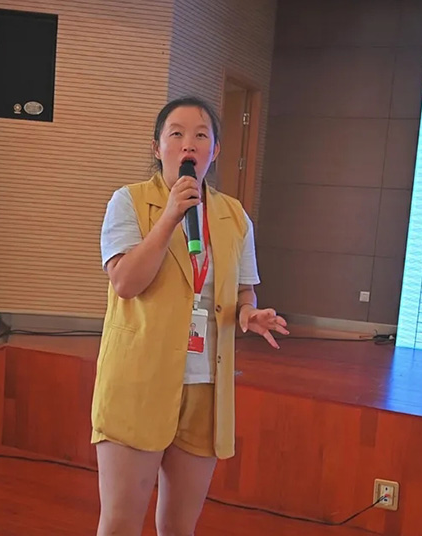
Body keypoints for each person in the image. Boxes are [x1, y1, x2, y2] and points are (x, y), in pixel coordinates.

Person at [92, 96, 288, 535]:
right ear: (157, 147)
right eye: (176, 134)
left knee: (180, 526)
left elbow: (243, 289)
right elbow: (125, 282)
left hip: (205, 385)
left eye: (201, 135)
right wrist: (169, 217)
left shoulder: (234, 215)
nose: (188, 144)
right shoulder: (129, 202)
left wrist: (249, 313)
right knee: (120, 523)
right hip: (139, 380)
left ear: (215, 151)